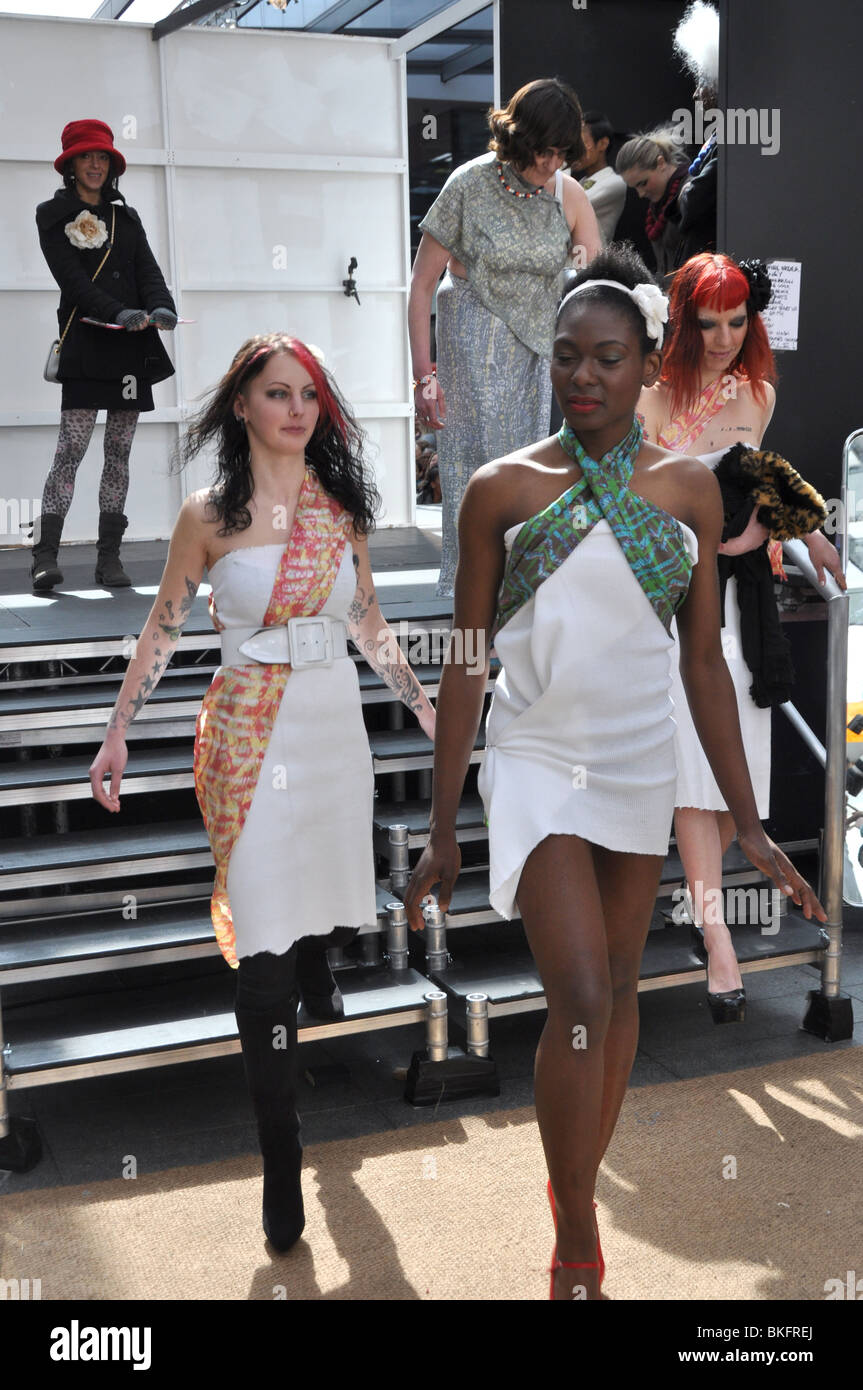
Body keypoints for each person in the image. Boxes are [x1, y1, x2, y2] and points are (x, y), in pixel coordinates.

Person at [403, 245, 825, 1300]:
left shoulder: (686, 490)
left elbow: (699, 666)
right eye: (564, 358)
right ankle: (580, 1230)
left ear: (646, 367)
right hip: (536, 758)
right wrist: (444, 820)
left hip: (640, 756)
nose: (581, 376)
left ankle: (568, 1185)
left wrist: (749, 820)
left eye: (604, 359)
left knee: (624, 991)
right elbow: (464, 661)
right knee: (580, 991)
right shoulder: (500, 491)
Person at [89, 333, 436, 1252]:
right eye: (276, 394)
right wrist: (119, 728)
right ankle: (280, 1160)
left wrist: (429, 711)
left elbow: (367, 620)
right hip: (245, 733)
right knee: (262, 955)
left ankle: (317, 953)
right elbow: (163, 626)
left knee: (312, 908)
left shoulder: (341, 506)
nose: (295, 410)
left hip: (329, 737)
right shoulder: (206, 515)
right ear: (240, 405)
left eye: (309, 397)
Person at [639, 252, 843, 1015]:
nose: (723, 336)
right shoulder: (652, 397)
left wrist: (786, 528)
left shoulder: (755, 392)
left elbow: (755, 475)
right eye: (707, 322)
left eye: (735, 320)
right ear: (681, 323)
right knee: (698, 776)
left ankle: (704, 917)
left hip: (742, 601)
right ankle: (718, 937)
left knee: (736, 780)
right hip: (670, 597)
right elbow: (638, 499)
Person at [409, 77, 601, 597]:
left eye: (561, 152)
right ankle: (472, 599)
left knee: (527, 470)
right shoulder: (468, 184)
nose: (550, 163)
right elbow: (423, 282)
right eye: (542, 150)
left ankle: (521, 597)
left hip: (532, 354)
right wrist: (424, 379)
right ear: (517, 137)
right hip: (468, 344)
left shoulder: (568, 194)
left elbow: (596, 286)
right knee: (473, 468)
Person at [34, 119, 177, 591]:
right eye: (86, 157)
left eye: (103, 158)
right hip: (86, 343)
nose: (95, 165)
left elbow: (148, 271)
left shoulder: (127, 219)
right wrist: (120, 311)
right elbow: (72, 282)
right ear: (71, 165)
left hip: (129, 350)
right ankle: (45, 557)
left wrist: (162, 308)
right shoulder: (51, 216)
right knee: (70, 449)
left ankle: (109, 559)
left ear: (111, 166)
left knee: (119, 452)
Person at [672, 0, 720, 264]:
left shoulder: (732, 140)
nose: (695, 93)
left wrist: (686, 188)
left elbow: (693, 201)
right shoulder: (719, 136)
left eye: (701, 84)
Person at [615, 129, 690, 281]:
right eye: (635, 187)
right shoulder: (661, 202)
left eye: (643, 183)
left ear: (661, 163)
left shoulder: (689, 193)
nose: (641, 194)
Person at [571, 112, 627, 246]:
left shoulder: (615, 182)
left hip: (592, 263)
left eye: (581, 143)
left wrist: (564, 163)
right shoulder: (580, 182)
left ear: (602, 144)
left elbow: (567, 208)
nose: (575, 150)